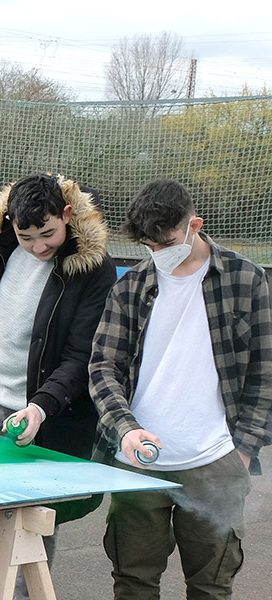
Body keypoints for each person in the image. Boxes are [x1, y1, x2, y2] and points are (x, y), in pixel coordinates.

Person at [0, 174, 117, 600]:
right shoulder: (5, 249)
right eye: (26, 235)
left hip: (49, 408)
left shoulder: (93, 267)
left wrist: (40, 407)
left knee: (36, 513)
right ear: (11, 222)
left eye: (48, 233)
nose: (38, 246)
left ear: (67, 215)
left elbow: (80, 355)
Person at [90, 178, 269, 600]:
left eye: (166, 242)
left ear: (194, 225)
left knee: (211, 585)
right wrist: (125, 429)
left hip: (216, 461)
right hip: (138, 460)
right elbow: (102, 368)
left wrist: (243, 448)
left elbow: (267, 371)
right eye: (149, 247)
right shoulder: (130, 286)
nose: (159, 254)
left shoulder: (247, 280)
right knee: (133, 582)